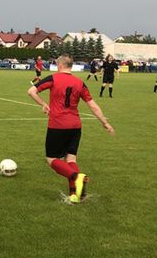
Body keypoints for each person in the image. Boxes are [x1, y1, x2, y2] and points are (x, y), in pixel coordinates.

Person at [28, 54, 114, 204]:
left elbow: (31, 91)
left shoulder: (53, 78)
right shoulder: (80, 83)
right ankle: (75, 194)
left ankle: (76, 176)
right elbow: (92, 105)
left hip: (58, 125)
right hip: (75, 126)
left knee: (52, 159)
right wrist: (104, 122)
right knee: (71, 158)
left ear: (60, 65)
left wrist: (43, 104)